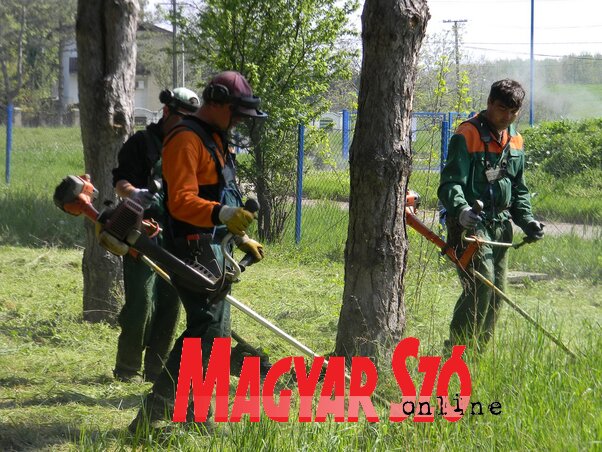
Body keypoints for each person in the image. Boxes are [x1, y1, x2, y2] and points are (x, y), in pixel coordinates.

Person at [128, 71, 267, 432]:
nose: (238, 121)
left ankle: (195, 415)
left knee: (216, 333)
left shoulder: (216, 140)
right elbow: (182, 201)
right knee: (206, 331)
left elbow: (223, 197)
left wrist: (237, 237)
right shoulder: (185, 140)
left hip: (213, 248)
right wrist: (223, 215)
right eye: (235, 112)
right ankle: (153, 415)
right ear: (216, 101)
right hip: (189, 249)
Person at [438, 79, 544, 350]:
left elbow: (519, 188)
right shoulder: (467, 134)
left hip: (501, 227)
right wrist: (461, 210)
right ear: (489, 104)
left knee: (498, 294)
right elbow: (450, 184)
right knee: (480, 288)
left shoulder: (515, 139)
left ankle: (478, 354)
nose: (506, 117)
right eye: (501, 109)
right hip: (472, 227)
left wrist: (527, 220)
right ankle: (457, 353)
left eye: (513, 112)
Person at [112, 87, 200, 383]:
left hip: (177, 238)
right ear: (166, 113)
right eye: (183, 118)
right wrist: (135, 195)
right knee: (141, 302)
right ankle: (127, 368)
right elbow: (121, 182)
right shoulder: (141, 144)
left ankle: (156, 369)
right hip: (141, 232)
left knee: (170, 302)